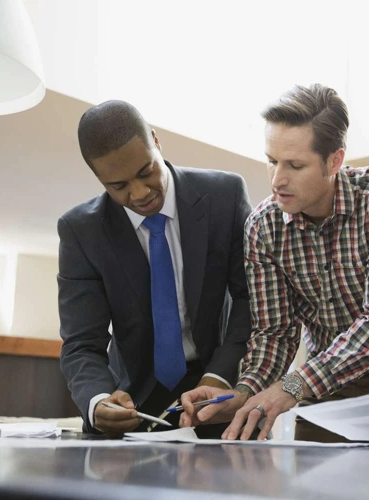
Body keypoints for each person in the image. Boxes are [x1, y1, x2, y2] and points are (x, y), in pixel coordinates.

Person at [179, 84, 369, 442]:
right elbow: (274, 333)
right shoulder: (263, 226)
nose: (278, 180)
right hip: (322, 385)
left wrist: (293, 385)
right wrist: (244, 391)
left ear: (334, 161)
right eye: (271, 161)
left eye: (295, 165)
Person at [58, 100, 252, 436]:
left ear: (155, 140)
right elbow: (81, 343)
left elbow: (249, 300)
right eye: (118, 186)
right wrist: (97, 400)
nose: (140, 193)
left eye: (146, 170)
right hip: (131, 399)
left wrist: (220, 376)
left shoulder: (225, 196)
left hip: (217, 390)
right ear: (98, 177)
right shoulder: (80, 231)